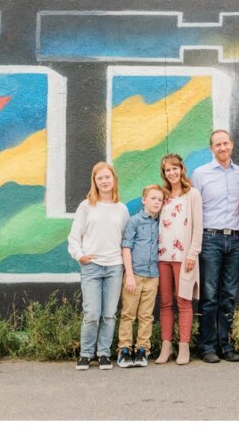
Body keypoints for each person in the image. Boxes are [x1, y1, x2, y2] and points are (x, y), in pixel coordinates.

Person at [68, 162, 130, 370]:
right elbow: (74, 237)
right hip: (92, 267)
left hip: (114, 267)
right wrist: (80, 256)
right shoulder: (86, 206)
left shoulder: (121, 209)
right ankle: (86, 354)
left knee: (109, 313)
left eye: (107, 177)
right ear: (94, 181)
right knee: (92, 313)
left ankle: (104, 353)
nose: (104, 181)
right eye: (100, 178)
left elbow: (126, 240)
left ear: (114, 179)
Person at [191, 129, 239, 363]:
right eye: (217, 144)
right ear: (211, 148)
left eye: (226, 143)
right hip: (210, 238)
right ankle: (206, 346)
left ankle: (226, 345)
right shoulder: (200, 174)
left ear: (231, 145)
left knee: (229, 295)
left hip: (234, 239)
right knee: (210, 295)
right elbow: (194, 210)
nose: (222, 148)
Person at [155, 153, 203, 366]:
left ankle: (184, 346)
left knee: (183, 301)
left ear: (181, 169)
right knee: (165, 302)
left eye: (175, 168)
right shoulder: (162, 195)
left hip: (184, 257)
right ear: (164, 174)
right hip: (162, 256)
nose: (172, 173)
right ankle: (167, 345)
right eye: (168, 170)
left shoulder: (192, 194)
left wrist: (193, 253)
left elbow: (198, 227)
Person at [117, 184, 164, 368]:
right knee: (128, 314)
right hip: (134, 275)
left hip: (153, 276)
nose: (156, 202)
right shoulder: (135, 221)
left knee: (146, 315)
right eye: (153, 198)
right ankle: (124, 350)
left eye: (160, 200)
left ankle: (143, 349)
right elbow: (126, 247)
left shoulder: (160, 222)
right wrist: (129, 275)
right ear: (144, 200)